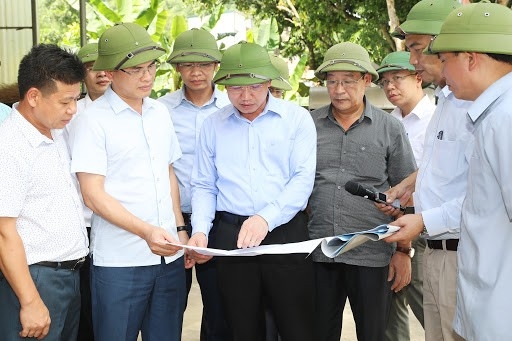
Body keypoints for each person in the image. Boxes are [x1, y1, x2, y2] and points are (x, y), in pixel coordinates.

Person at [188, 41, 317, 341]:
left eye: (255, 87)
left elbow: (302, 180)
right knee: (240, 327)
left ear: (270, 82)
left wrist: (265, 218)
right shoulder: (213, 125)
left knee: (297, 326)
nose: (245, 97)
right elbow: (205, 184)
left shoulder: (296, 119)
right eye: (235, 88)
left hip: (285, 235)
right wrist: (200, 232)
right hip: (231, 237)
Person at [69, 23, 186, 340]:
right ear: (112, 72)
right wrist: (146, 231)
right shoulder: (92, 120)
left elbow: (168, 173)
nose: (147, 77)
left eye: (151, 67)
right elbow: (92, 195)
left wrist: (180, 229)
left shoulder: (160, 113)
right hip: (120, 263)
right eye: (136, 70)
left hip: (170, 256)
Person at [308, 41, 417, 341]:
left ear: (367, 81)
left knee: (373, 333)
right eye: (332, 82)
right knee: (318, 333)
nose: (339, 90)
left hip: (371, 254)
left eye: (348, 81)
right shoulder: (308, 125)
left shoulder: (390, 128)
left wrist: (403, 252)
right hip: (319, 253)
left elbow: (408, 195)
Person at [382, 1, 472, 341]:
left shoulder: (481, 107)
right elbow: (442, 169)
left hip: (460, 252)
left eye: (418, 49)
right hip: (436, 250)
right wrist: (408, 185)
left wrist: (420, 221)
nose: (414, 60)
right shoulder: (448, 101)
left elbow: (487, 194)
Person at [429, 3, 512, 339]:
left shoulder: (505, 119)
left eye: (445, 60)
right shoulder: (494, 115)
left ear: (471, 58)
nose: (443, 73)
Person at [0, 44, 89, 340]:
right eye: (66, 101)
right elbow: (3, 232)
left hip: (69, 276)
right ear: (34, 96)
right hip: (34, 280)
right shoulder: (10, 146)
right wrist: (30, 301)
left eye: (77, 99)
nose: (73, 109)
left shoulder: (56, 132)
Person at [158, 28, 231, 341]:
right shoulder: (159, 110)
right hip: (173, 221)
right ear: (177, 68)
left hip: (220, 221)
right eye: (187, 65)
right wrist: (178, 226)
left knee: (220, 307)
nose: (196, 72)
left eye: (203, 64)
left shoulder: (233, 107)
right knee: (170, 306)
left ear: (216, 66)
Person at [376, 51, 435, 341]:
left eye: (397, 78)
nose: (390, 87)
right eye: (384, 81)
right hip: (390, 226)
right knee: (391, 310)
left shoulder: (436, 119)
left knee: (432, 311)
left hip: (426, 230)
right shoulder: (386, 123)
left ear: (419, 77)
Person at [65, 42, 110, 341]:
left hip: (115, 221)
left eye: (106, 65)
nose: (101, 73)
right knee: (81, 303)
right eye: (92, 67)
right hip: (80, 220)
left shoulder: (137, 110)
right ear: (82, 73)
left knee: (106, 304)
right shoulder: (71, 111)